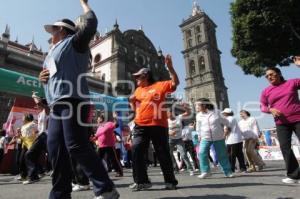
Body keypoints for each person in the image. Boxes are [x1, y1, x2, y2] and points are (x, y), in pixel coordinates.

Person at [38, 0, 118, 198]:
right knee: (55, 148)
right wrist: (42, 80)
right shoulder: (49, 54)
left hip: (73, 100)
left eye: (54, 30)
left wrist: (84, 4)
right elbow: (51, 79)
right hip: (57, 105)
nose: (51, 35)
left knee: (75, 144)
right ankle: (60, 193)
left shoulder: (74, 43)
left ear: (64, 31)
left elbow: (90, 23)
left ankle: (105, 188)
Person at [129, 54, 179, 191]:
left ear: (145, 76)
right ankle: (142, 181)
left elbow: (175, 84)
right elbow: (132, 99)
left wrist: (170, 68)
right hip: (140, 125)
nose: (136, 78)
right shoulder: (138, 90)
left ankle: (170, 181)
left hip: (158, 125)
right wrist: (135, 112)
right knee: (136, 150)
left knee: (162, 153)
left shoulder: (160, 85)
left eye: (138, 76)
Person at [260, 66, 300, 184]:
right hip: (281, 123)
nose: (269, 77)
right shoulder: (266, 91)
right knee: (285, 148)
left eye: (271, 74)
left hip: (298, 119)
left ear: (279, 73)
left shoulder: (292, 83)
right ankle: (294, 175)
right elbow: (262, 105)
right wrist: (270, 110)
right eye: (267, 76)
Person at [195, 98, 233, 179]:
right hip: (205, 137)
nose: (196, 107)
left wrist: (227, 129)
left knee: (222, 154)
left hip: (218, 136)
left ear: (204, 105)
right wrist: (199, 135)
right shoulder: (198, 115)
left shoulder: (217, 112)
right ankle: (205, 171)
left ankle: (228, 171)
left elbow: (226, 122)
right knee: (202, 153)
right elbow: (198, 127)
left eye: (198, 105)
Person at [24, 95, 50, 184]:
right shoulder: (39, 114)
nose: (36, 106)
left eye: (38, 105)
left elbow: (39, 102)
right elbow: (40, 128)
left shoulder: (47, 110)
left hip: (47, 136)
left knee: (55, 157)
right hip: (40, 137)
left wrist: (34, 96)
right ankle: (33, 176)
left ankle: (70, 176)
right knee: (29, 154)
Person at [167, 106, 194, 175]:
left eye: (169, 113)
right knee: (169, 154)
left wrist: (185, 107)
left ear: (172, 113)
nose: (168, 115)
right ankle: (175, 168)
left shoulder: (179, 117)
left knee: (183, 154)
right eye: (166, 114)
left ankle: (190, 169)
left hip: (179, 139)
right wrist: (169, 133)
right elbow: (164, 130)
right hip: (170, 139)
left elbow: (188, 113)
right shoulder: (166, 121)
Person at [222, 108, 247, 173]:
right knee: (239, 154)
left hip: (232, 140)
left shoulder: (228, 119)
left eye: (223, 113)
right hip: (238, 139)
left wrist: (223, 137)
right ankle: (243, 168)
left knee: (231, 156)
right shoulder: (233, 118)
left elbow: (228, 129)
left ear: (226, 113)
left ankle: (231, 169)